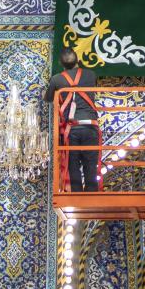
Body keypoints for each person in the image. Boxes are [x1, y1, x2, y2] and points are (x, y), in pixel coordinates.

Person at [45, 47, 101, 191]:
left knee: (73, 165)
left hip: (71, 128)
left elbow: (48, 99)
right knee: (90, 164)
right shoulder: (91, 74)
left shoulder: (56, 79)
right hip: (90, 125)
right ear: (78, 60)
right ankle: (92, 195)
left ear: (61, 63)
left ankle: (76, 195)